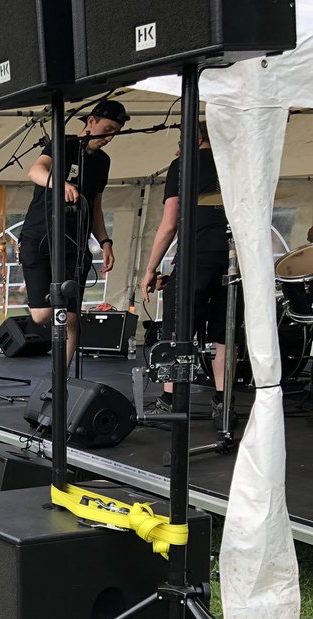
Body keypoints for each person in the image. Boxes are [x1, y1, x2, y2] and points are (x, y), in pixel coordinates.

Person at [19, 99, 128, 365]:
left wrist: (105, 242)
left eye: (115, 132)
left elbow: (96, 206)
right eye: (108, 128)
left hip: (75, 245)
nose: (109, 137)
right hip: (40, 236)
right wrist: (60, 184)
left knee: (70, 318)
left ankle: (60, 383)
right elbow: (35, 170)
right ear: (91, 121)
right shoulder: (63, 144)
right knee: (42, 315)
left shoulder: (103, 162)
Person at [140, 121, 232, 419]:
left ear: (193, 140)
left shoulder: (182, 165)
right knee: (224, 334)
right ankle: (223, 401)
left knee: (177, 331)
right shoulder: (234, 162)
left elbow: (170, 224)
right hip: (233, 258)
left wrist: (150, 270)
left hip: (196, 256)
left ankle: (170, 401)